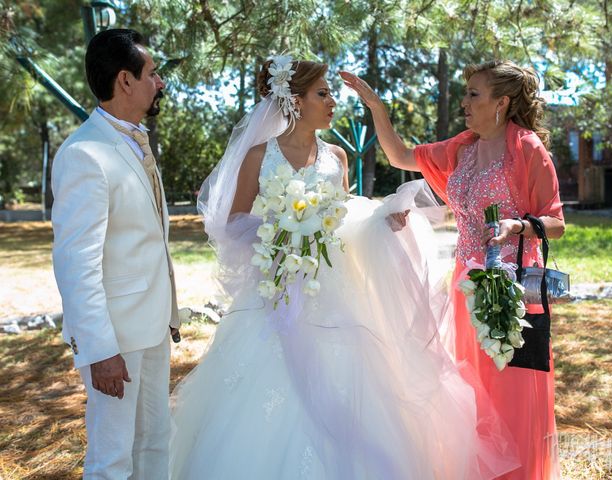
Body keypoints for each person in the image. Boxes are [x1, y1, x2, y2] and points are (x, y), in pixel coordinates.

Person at [169, 56, 520, 479]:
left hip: (331, 291)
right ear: (294, 100)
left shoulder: (335, 157)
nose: (333, 101)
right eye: (323, 93)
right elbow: (232, 225)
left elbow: (345, 217)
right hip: (276, 291)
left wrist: (380, 220)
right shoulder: (259, 156)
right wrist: (285, 232)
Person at [341, 60, 565, 479]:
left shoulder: (528, 148)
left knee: (512, 392)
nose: (464, 102)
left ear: (501, 102)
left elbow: (556, 222)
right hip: (466, 288)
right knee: (472, 391)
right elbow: (401, 155)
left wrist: (518, 225)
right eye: (465, 94)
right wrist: (375, 107)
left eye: (473, 94)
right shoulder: (461, 147)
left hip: (512, 295)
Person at [51, 28, 180, 479]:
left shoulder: (133, 139)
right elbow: (75, 262)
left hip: (152, 325)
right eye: (152, 73)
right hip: (116, 338)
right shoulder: (85, 153)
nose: (159, 82)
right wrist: (99, 350)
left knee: (153, 445)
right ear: (125, 81)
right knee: (112, 459)